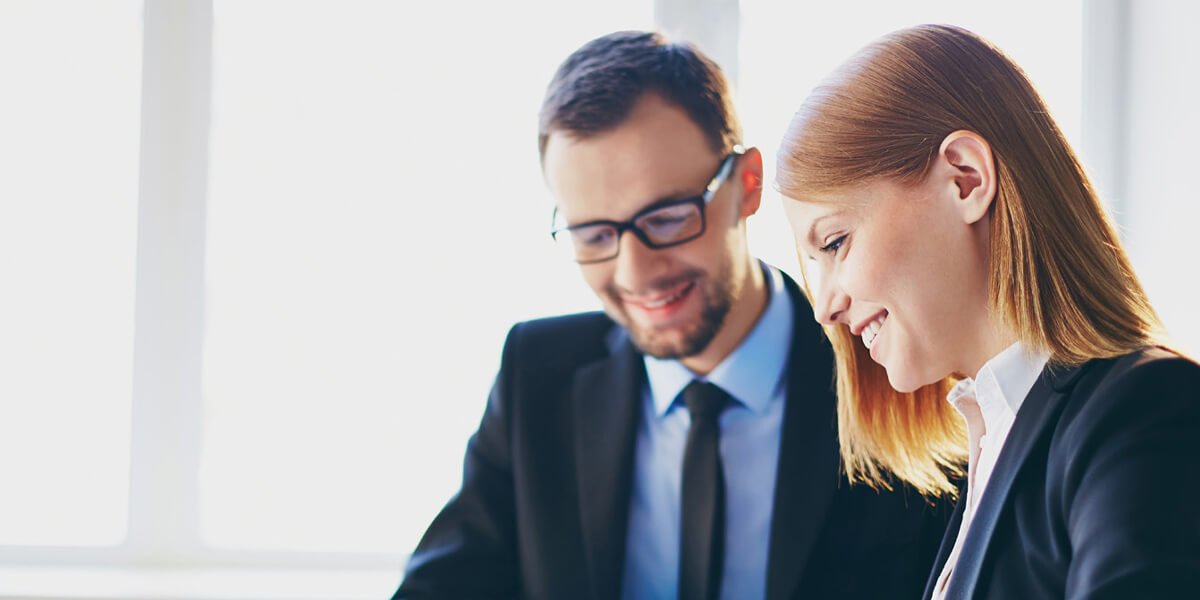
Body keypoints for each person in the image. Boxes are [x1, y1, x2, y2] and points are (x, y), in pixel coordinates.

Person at [394, 31, 951, 600]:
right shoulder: (536, 376)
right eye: (595, 234)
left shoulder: (896, 368)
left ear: (747, 186)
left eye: (665, 218)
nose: (636, 272)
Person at [776, 24, 1200, 600]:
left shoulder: (1145, 409)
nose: (825, 307)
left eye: (834, 244)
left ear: (965, 178)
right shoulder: (988, 453)